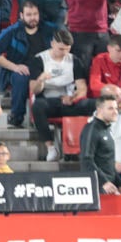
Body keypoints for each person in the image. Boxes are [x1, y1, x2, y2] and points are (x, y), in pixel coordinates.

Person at [30, 29, 93, 162]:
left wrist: (74, 98)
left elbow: (82, 87)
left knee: (94, 105)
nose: (64, 52)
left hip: (68, 100)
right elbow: (34, 90)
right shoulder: (39, 59)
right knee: (37, 106)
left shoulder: (74, 60)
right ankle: (51, 147)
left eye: (67, 49)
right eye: (61, 49)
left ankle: (88, 146)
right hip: (47, 101)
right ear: (52, 43)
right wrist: (41, 80)